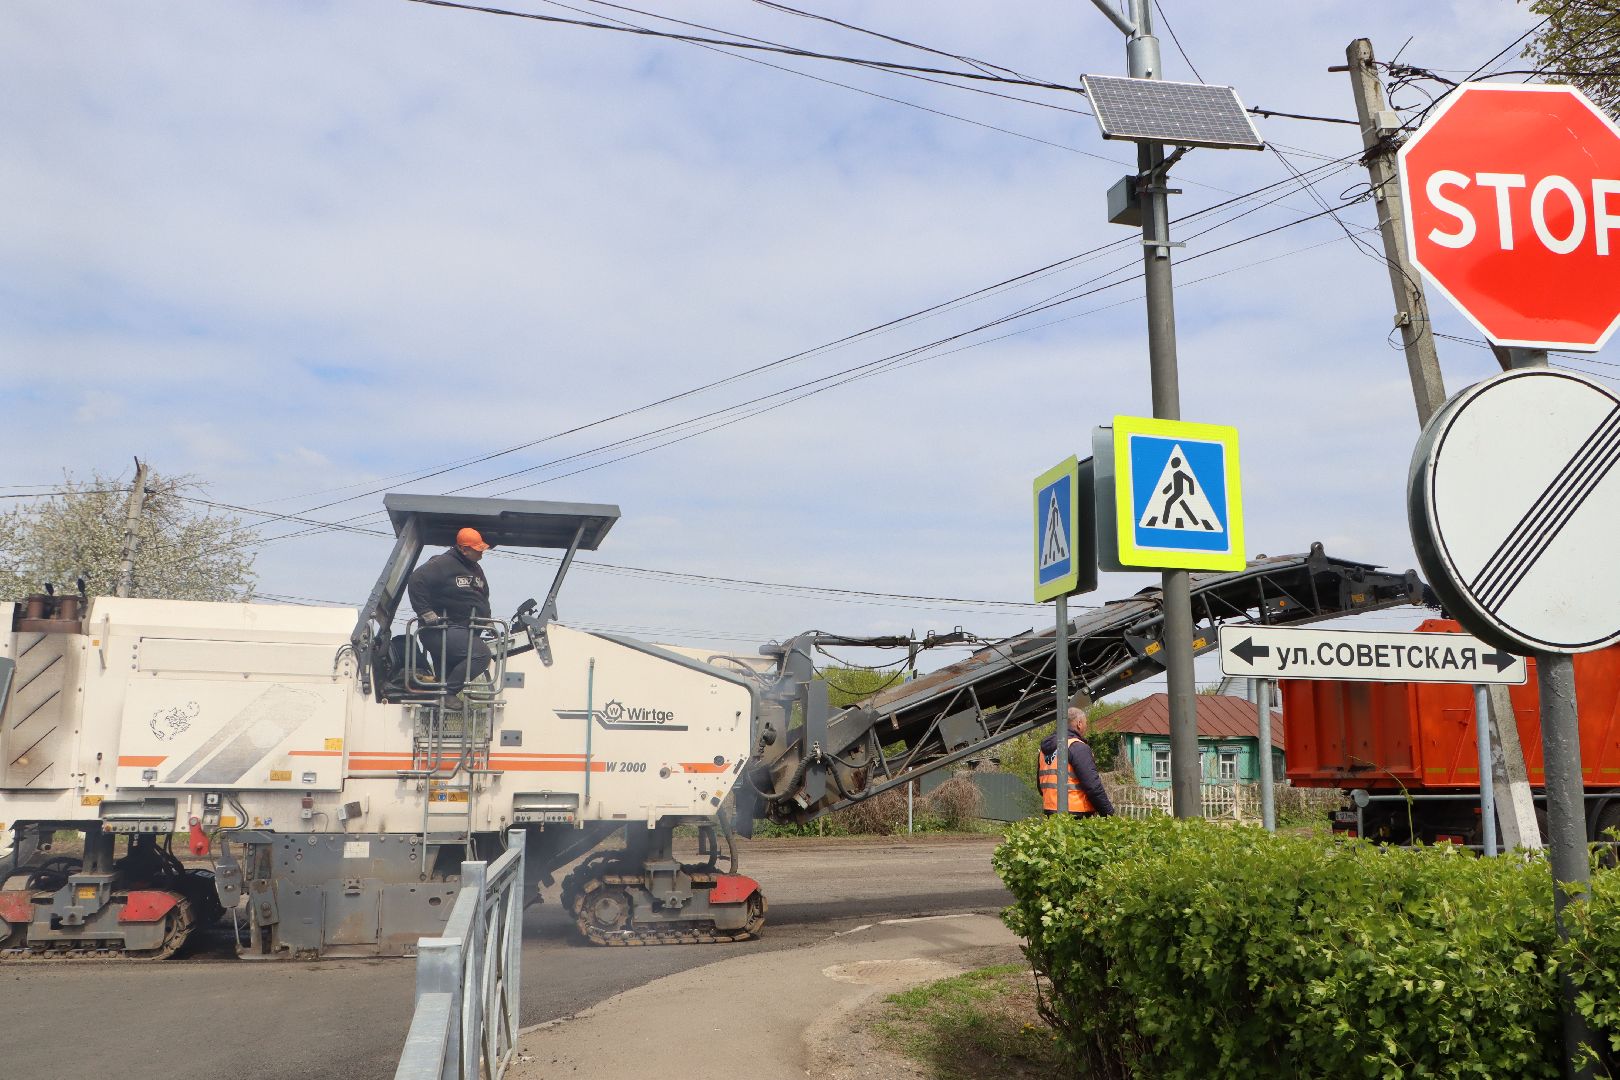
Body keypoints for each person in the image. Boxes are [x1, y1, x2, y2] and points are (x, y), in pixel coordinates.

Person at [407, 527, 494, 709]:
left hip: (462, 632)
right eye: (477, 550)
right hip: (443, 631)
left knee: (447, 676)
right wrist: (426, 613)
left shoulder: (475, 568)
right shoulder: (442, 564)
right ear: (464, 549)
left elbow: (482, 596)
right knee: (481, 654)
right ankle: (448, 694)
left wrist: (486, 618)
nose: (481, 554)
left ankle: (439, 698)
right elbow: (416, 580)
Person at [1037, 702, 1115, 818]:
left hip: (1051, 812)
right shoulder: (1077, 747)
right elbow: (1093, 786)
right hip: (1076, 814)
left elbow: (1040, 786)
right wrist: (1108, 814)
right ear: (1079, 724)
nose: (1086, 727)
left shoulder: (1044, 751)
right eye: (1085, 724)